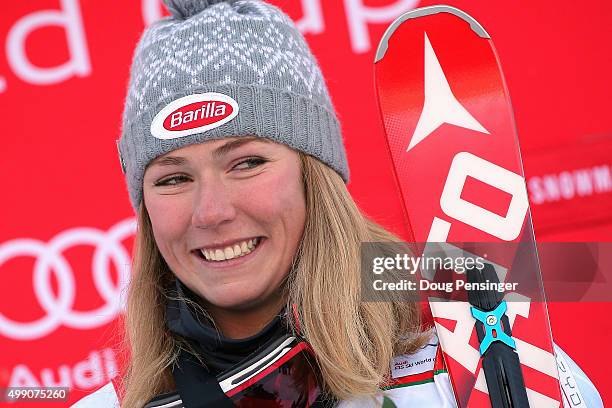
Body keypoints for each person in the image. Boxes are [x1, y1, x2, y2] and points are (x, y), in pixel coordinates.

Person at [72, 0, 603, 407]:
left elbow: (591, 272)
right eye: (172, 178)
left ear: (314, 176)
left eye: (248, 163)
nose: (211, 212)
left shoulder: (471, 371)